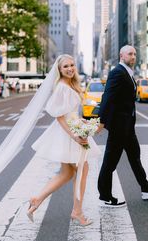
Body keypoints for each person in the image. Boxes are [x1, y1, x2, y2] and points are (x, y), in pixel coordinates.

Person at [27, 54, 100, 224]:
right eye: (65, 66)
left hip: (72, 128)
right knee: (82, 171)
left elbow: (69, 113)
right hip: (68, 133)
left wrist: (81, 121)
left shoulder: (70, 85)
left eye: (72, 65)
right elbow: (58, 116)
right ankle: (77, 212)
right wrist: (74, 135)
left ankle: (37, 200)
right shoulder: (61, 87)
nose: (70, 68)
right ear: (59, 70)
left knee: (67, 173)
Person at [97, 45, 148, 207]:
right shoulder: (117, 73)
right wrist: (101, 121)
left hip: (128, 127)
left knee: (135, 157)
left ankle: (146, 188)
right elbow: (107, 97)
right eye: (130, 54)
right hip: (118, 127)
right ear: (121, 56)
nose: (133, 56)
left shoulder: (127, 73)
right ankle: (105, 196)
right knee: (110, 162)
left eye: (134, 53)